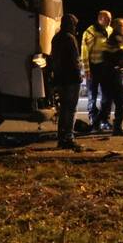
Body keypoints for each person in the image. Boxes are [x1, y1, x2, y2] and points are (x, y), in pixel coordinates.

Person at [51, 13, 83, 150]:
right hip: (71, 78)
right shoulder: (70, 38)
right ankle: (68, 137)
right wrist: (79, 75)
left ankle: (61, 137)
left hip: (59, 78)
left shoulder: (56, 38)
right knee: (71, 109)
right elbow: (75, 60)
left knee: (63, 108)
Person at [99, 17, 123, 136]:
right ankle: (117, 127)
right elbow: (119, 53)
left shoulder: (117, 39)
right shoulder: (115, 39)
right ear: (118, 27)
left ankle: (99, 123)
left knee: (107, 101)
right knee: (121, 102)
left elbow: (120, 52)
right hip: (113, 75)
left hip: (110, 74)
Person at [81, 10, 113, 131]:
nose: (109, 21)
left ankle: (104, 120)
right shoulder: (90, 32)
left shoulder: (110, 30)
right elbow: (84, 52)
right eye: (107, 19)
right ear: (100, 19)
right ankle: (94, 120)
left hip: (105, 69)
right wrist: (87, 70)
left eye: (110, 18)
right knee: (92, 96)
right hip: (94, 69)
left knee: (106, 96)